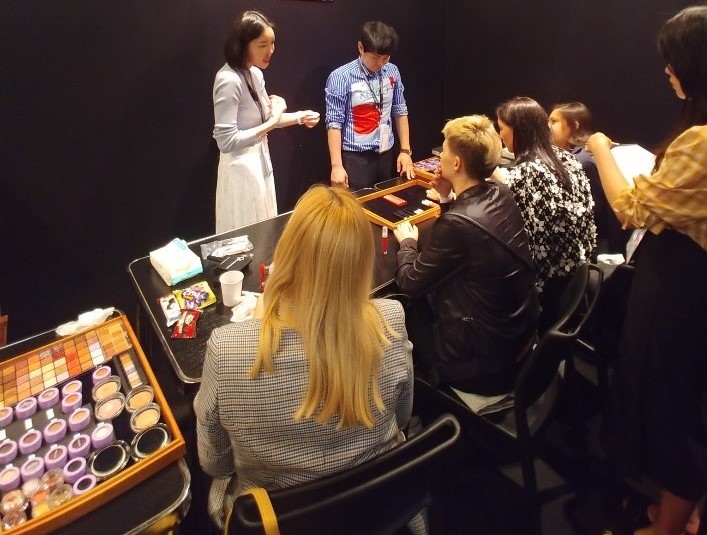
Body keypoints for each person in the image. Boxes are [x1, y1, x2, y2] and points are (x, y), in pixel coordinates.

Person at [194, 185, 415, 529]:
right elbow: (402, 417)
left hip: (275, 521)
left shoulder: (227, 349)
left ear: (286, 254)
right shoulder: (391, 320)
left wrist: (261, 321)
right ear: (362, 262)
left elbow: (214, 463)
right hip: (375, 508)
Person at [586, 6, 707, 535]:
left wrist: (600, 150)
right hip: (681, 279)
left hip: (682, 289)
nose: (666, 70)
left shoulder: (701, 142)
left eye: (673, 60)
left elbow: (631, 209)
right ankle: (678, 509)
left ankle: (669, 526)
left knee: (670, 403)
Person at [393, 115, 539, 394]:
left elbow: (410, 282)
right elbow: (469, 236)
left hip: (480, 363)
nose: (440, 156)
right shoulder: (500, 192)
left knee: (403, 305)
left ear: (457, 163)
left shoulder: (457, 224)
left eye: (444, 150)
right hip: (518, 340)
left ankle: (416, 395)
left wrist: (408, 243)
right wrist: (446, 197)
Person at [213, 10, 320, 234]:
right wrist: (274, 119)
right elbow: (226, 141)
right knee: (246, 237)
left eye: (272, 43)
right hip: (240, 172)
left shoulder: (255, 74)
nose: (270, 50)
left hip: (259, 165)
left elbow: (268, 118)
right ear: (243, 45)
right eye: (262, 45)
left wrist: (300, 117)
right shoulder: (228, 79)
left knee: (264, 232)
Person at [496, 97, 596, 327]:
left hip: (545, 290)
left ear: (517, 130)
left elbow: (530, 247)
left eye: (501, 129)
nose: (500, 135)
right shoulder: (567, 158)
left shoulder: (526, 174)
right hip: (575, 277)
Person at [325, 21, 415, 191]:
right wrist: (336, 166)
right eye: (375, 58)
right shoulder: (341, 77)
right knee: (357, 204)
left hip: (386, 152)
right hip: (356, 158)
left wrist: (405, 150)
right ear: (361, 48)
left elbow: (400, 109)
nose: (380, 64)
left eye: (385, 58)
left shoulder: (392, 71)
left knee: (387, 200)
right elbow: (334, 123)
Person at [549, 102, 629, 254]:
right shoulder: (571, 156)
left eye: (554, 121)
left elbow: (596, 213)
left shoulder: (582, 160)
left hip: (594, 246)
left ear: (575, 126)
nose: (547, 126)